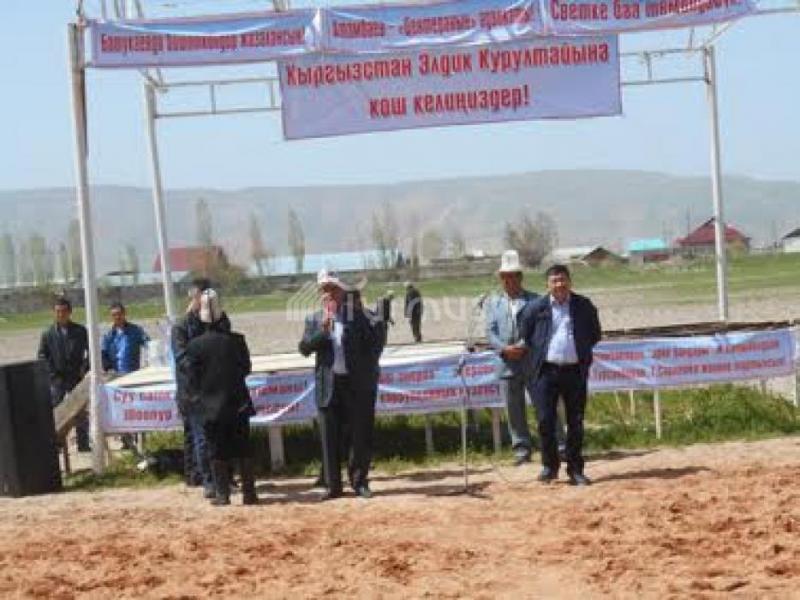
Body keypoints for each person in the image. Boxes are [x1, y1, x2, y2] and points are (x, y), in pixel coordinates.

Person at [299, 269, 383, 501]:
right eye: (324, 289)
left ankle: (359, 482)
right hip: (329, 385)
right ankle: (333, 486)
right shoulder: (314, 319)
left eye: (333, 289)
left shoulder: (357, 316)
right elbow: (304, 348)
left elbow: (374, 344)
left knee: (359, 433)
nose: (329, 293)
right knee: (329, 437)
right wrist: (323, 330)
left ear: (342, 291)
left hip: (354, 383)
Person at [518, 264, 601, 486]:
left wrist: (579, 351)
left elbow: (594, 334)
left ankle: (575, 470)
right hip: (546, 371)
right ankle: (549, 467)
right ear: (547, 285)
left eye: (563, 279)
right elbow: (526, 334)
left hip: (575, 371)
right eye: (554, 281)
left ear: (570, 281)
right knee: (545, 420)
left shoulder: (583, 305)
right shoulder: (535, 308)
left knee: (576, 421)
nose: (559, 284)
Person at [180, 289, 256, 506]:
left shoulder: (194, 346)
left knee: (216, 450)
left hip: (210, 406)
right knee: (243, 448)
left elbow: (191, 377)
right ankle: (249, 493)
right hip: (238, 402)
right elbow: (246, 368)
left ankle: (222, 494)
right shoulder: (237, 341)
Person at [172, 278, 231, 494]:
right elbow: (182, 359)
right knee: (201, 438)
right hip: (194, 392)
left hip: (216, 391)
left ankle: (223, 477)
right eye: (198, 297)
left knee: (220, 436)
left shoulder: (218, 321)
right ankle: (208, 481)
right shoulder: (182, 326)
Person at [484, 250, 539, 466]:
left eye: (513, 276)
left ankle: (556, 446)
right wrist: (504, 349)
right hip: (506, 364)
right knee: (514, 410)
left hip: (531, 362)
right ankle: (522, 450)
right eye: (505, 277)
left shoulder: (535, 300)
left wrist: (523, 346)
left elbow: (539, 329)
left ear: (520, 277)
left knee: (543, 406)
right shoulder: (493, 303)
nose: (508, 280)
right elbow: (490, 332)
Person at [37, 297, 91, 451]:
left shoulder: (80, 331)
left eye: (64, 311)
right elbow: (42, 356)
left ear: (70, 312)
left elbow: (91, 351)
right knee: (57, 412)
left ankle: (83, 443)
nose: (61, 314)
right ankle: (58, 443)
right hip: (57, 379)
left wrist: (84, 368)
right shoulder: (48, 333)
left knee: (80, 410)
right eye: (58, 312)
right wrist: (52, 373)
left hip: (76, 377)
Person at [101, 302, 150, 450]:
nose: (117, 317)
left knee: (136, 408)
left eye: (119, 314)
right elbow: (103, 354)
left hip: (133, 375)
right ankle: (126, 440)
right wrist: (108, 369)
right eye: (114, 315)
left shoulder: (135, 331)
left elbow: (148, 343)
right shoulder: (109, 335)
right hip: (116, 377)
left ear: (124, 314)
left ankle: (139, 438)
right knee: (120, 410)